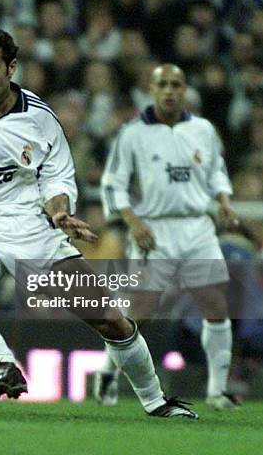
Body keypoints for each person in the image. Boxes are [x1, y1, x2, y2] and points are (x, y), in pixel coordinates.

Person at [0, 28, 197, 418]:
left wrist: (59, 212)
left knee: (111, 320)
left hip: (33, 234)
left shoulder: (40, 118)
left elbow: (57, 178)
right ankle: (2, 361)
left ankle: (156, 402)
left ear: (12, 67)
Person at [97, 63, 240, 410]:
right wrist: (134, 223)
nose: (170, 91)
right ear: (152, 89)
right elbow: (113, 184)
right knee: (140, 311)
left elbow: (217, 173)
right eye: (163, 85)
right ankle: (106, 372)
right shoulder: (133, 133)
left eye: (176, 84)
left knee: (216, 306)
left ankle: (217, 391)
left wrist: (223, 202)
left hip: (197, 227)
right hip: (155, 230)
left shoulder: (203, 129)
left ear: (185, 88)